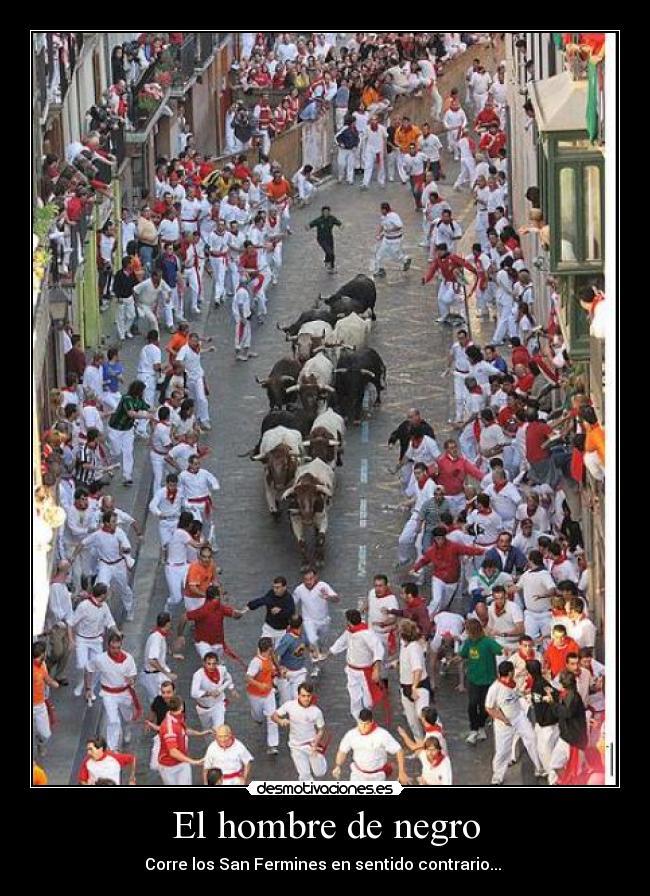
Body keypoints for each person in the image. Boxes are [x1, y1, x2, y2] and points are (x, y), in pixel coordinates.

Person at [485, 660, 544, 784]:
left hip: (519, 717)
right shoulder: (494, 688)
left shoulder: (513, 683)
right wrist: (504, 719)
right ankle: (497, 776)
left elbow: (517, 695)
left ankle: (539, 768)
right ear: (510, 672)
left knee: (532, 738)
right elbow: (489, 708)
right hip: (504, 723)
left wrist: (527, 693)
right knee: (503, 750)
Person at [73, 511, 136, 621]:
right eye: (113, 522)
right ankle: (100, 613)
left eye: (115, 521)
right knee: (101, 588)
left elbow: (128, 548)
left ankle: (129, 609)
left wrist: (123, 549)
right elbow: (82, 543)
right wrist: (73, 557)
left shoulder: (119, 532)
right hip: (104, 565)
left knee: (124, 588)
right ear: (106, 523)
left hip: (118, 564)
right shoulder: (97, 535)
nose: (115, 524)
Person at [411, 526, 486, 615]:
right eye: (438, 538)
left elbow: (467, 550)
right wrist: (415, 568)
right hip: (438, 579)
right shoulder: (431, 551)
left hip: (452, 582)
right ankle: (427, 617)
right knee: (436, 601)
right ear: (434, 539)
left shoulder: (454, 547)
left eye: (442, 538)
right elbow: (424, 560)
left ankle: (435, 615)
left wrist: (482, 551)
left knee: (444, 605)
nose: (440, 541)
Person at [328, 609, 387, 720]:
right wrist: (329, 653)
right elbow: (341, 642)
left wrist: (376, 669)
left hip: (364, 672)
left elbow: (378, 649)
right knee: (354, 697)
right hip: (351, 670)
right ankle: (359, 720)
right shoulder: (349, 631)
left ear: (348, 621)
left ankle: (367, 716)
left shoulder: (367, 634)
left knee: (368, 700)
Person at [85, 632, 139, 750]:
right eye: (113, 647)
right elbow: (89, 669)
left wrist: (131, 680)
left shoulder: (128, 658)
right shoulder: (100, 659)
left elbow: (133, 674)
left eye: (118, 647)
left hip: (124, 693)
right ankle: (112, 748)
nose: (116, 650)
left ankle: (127, 729)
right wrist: (89, 688)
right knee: (113, 721)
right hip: (108, 694)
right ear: (108, 646)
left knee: (127, 717)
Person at [455, 618, 503, 744]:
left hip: (488, 680)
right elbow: (463, 654)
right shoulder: (469, 642)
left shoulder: (487, 642)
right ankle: (474, 729)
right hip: (473, 679)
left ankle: (481, 726)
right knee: (472, 705)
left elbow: (500, 650)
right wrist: (455, 659)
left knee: (484, 707)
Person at [333, 709, 409, 783]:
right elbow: (342, 751)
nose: (363, 727)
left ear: (371, 722)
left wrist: (401, 772)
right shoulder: (351, 734)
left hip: (377, 775)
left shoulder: (382, 734)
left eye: (366, 724)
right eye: (361, 723)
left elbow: (398, 750)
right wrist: (338, 765)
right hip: (357, 774)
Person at [272, 681, 328, 781]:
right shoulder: (290, 705)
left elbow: (321, 729)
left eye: (308, 696)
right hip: (296, 746)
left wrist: (316, 743)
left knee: (320, 773)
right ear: (298, 695)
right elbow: (274, 716)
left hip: (311, 745)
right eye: (303, 696)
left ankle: (320, 759)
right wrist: (280, 720)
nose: (306, 698)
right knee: (304, 775)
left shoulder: (316, 711)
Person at [106, 380, 156, 486]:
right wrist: (147, 416)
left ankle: (127, 476)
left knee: (128, 452)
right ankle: (109, 461)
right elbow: (131, 413)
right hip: (116, 428)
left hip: (128, 429)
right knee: (116, 451)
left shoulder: (139, 400)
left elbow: (147, 407)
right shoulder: (126, 399)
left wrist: (159, 410)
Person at [544, 670, 589, 785]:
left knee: (574, 771)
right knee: (556, 764)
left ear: (563, 684)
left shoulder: (573, 697)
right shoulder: (569, 694)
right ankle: (566, 782)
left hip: (572, 740)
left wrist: (551, 703)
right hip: (567, 737)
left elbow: (566, 712)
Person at [292, 568, 339, 673]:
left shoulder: (323, 586)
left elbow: (336, 598)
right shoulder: (299, 589)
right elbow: (292, 603)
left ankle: (319, 657)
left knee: (320, 643)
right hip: (308, 620)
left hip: (324, 620)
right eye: (306, 579)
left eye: (311, 579)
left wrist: (328, 597)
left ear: (316, 577)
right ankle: (315, 666)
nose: (308, 582)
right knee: (312, 640)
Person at [157, 694, 208, 785]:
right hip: (169, 767)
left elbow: (184, 730)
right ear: (181, 706)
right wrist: (194, 762)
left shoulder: (177, 716)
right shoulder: (169, 728)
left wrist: (200, 733)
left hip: (182, 762)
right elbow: (173, 752)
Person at [246, 637, 281, 755]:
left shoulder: (270, 657)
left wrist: (279, 672)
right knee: (258, 716)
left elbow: (273, 668)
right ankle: (257, 718)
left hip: (268, 693)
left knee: (272, 718)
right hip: (255, 695)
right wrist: (259, 684)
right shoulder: (256, 662)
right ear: (269, 648)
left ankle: (273, 745)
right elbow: (248, 678)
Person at [398, 619, 431, 740]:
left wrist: (414, 688)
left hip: (418, 686)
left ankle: (435, 740)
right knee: (412, 720)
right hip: (405, 686)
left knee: (422, 715)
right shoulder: (404, 644)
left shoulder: (413, 647)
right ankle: (420, 746)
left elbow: (418, 669)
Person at [175, 333, 216, 431]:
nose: (195, 343)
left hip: (198, 377)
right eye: (193, 341)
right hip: (189, 378)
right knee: (191, 399)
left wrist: (208, 350)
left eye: (196, 341)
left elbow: (199, 352)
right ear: (189, 340)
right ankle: (192, 419)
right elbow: (178, 360)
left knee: (202, 398)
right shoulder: (184, 349)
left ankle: (204, 419)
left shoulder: (197, 347)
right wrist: (183, 367)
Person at [513, 550, 557, 640]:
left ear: (531, 561)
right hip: (530, 614)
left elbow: (552, 590)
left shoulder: (544, 574)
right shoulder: (526, 574)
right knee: (529, 639)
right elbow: (516, 588)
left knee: (548, 640)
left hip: (545, 614)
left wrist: (542, 596)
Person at [191, 651, 237, 730]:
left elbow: (228, 679)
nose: (211, 666)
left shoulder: (222, 669)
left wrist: (228, 689)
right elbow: (194, 693)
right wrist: (209, 693)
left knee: (219, 729)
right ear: (204, 663)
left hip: (218, 705)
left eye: (214, 664)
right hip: (204, 708)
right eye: (209, 663)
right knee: (207, 728)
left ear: (217, 663)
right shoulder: (198, 675)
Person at [244, 576, 296, 647]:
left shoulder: (289, 599)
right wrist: (249, 606)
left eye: (277, 587)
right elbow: (262, 600)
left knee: (277, 655)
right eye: (274, 587)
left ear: (284, 587)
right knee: (263, 649)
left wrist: (280, 611)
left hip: (281, 632)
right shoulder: (271, 594)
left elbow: (291, 614)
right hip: (268, 629)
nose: (275, 590)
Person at [179, 454, 220, 539]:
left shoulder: (204, 472)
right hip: (192, 505)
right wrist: (185, 503)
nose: (197, 466)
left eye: (198, 463)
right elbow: (180, 491)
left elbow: (213, 479)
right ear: (190, 464)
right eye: (195, 464)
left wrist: (215, 486)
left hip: (205, 503)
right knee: (195, 525)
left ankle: (210, 543)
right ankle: (197, 542)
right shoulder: (183, 475)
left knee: (209, 524)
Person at [140, 612, 175, 702]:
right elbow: (152, 660)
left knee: (158, 703)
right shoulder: (157, 638)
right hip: (154, 678)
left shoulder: (158, 635)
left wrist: (172, 654)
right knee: (161, 702)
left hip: (154, 676)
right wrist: (167, 674)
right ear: (167, 624)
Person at [33, 640, 59, 756]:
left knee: (45, 734)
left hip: (39, 704)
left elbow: (46, 678)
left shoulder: (43, 665)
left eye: (38, 657)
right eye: (34, 658)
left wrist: (53, 683)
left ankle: (40, 743)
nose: (36, 660)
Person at [373, 202, 411, 278]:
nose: (381, 211)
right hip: (386, 240)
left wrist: (389, 230)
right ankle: (380, 270)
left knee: (395, 256)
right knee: (379, 255)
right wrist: (378, 234)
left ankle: (405, 260)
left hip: (395, 240)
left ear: (385, 209)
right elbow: (382, 225)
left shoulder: (394, 216)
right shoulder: (383, 216)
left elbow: (400, 226)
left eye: (381, 210)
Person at [307, 206, 342, 274]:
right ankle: (331, 268)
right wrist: (307, 227)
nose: (326, 213)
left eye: (327, 212)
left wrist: (341, 226)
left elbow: (338, 223)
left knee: (330, 251)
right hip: (321, 239)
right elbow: (311, 224)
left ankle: (326, 261)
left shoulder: (332, 218)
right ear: (322, 212)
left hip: (329, 238)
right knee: (330, 253)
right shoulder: (319, 220)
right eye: (324, 212)